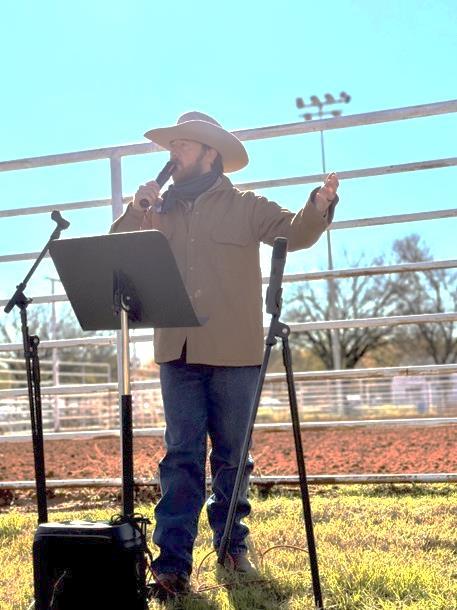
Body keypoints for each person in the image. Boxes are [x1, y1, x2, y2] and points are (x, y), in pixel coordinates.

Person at [111, 111, 339, 594]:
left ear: (209, 153)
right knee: (181, 456)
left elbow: (294, 232)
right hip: (177, 351)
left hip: (236, 351)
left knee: (234, 458)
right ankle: (172, 566)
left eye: (183, 145)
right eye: (172, 146)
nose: (173, 153)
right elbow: (116, 253)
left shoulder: (245, 206)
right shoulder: (157, 210)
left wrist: (319, 205)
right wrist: (136, 209)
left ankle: (232, 548)